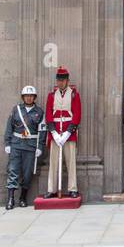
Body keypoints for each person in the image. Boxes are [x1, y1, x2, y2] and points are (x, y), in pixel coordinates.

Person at [3, 84, 44, 210]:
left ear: (34, 97)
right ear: (23, 97)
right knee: (13, 170)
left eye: (31, 96)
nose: (29, 98)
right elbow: (9, 127)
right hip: (16, 144)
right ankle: (10, 199)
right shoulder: (16, 110)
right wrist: (7, 143)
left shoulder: (39, 112)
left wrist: (40, 147)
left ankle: (23, 198)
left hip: (31, 146)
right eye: (26, 96)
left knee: (27, 173)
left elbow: (42, 131)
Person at [44, 66, 81, 199]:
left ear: (67, 80)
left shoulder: (74, 94)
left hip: (68, 133)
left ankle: (72, 188)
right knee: (53, 162)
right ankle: (51, 188)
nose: (60, 82)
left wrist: (67, 133)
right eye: (58, 80)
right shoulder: (52, 95)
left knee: (71, 162)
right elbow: (48, 114)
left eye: (63, 80)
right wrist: (53, 132)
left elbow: (77, 114)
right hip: (55, 133)